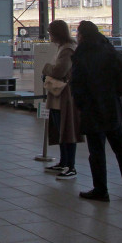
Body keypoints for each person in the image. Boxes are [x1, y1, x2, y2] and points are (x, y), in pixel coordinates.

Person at [70, 21, 122, 202]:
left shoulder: (82, 55)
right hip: (113, 107)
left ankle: (101, 189)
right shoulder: (111, 52)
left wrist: (80, 105)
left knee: (97, 151)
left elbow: (77, 84)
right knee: (121, 149)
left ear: (82, 35)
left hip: (92, 109)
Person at [42, 20, 83, 180]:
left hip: (64, 95)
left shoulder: (67, 50)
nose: (49, 35)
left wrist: (47, 68)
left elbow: (59, 70)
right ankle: (63, 161)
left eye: (50, 32)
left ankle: (70, 165)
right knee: (60, 129)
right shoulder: (63, 48)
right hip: (58, 94)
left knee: (67, 130)